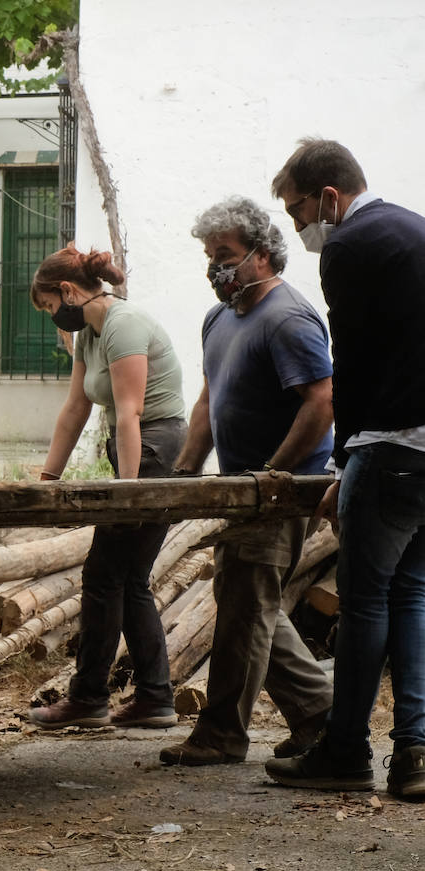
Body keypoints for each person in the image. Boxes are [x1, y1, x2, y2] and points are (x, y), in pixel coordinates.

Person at [265, 139, 425, 799]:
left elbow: (349, 364)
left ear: (329, 197)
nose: (299, 227)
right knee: (412, 596)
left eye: (298, 210)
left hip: (389, 449)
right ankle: (414, 754)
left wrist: (343, 457)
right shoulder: (415, 229)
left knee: (361, 606)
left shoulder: (350, 244)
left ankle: (345, 749)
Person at [158, 196, 334, 767]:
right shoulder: (220, 317)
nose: (215, 267)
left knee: (246, 605)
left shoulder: (287, 318)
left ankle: (221, 734)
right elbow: (210, 399)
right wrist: (185, 469)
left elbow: (321, 401)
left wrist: (274, 475)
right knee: (248, 601)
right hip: (240, 489)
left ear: (261, 256)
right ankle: (320, 713)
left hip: (280, 493)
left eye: (226, 255)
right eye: (210, 256)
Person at [26, 246, 187, 731]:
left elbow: (131, 413)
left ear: (69, 292)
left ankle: (90, 697)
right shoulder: (90, 337)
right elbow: (76, 408)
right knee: (128, 579)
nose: (54, 317)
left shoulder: (124, 324)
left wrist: (128, 492)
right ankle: (154, 698)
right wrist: (48, 479)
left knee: (104, 576)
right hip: (134, 449)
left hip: (154, 446)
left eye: (51, 306)